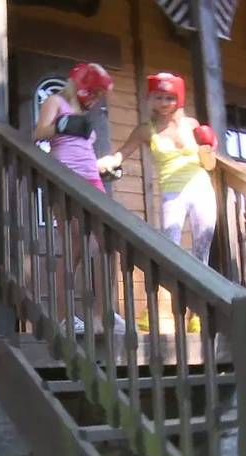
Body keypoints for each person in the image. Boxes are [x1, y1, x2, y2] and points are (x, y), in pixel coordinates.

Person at [98, 72, 218, 333]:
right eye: (159, 97)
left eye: (169, 98)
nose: (164, 103)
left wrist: (208, 147)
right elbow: (121, 154)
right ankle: (154, 311)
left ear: (179, 99)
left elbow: (209, 165)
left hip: (200, 188)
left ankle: (197, 314)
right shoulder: (146, 129)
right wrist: (104, 162)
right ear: (150, 99)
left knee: (202, 252)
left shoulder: (191, 125)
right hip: (172, 194)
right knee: (168, 252)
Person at [34, 63, 124, 335]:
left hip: (91, 178)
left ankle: (105, 313)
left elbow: (82, 148)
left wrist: (103, 167)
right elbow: (39, 133)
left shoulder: (85, 113)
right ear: (82, 84)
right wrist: (63, 124)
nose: (95, 98)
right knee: (75, 246)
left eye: (99, 95)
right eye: (94, 92)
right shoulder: (56, 101)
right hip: (66, 177)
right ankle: (65, 316)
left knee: (108, 244)